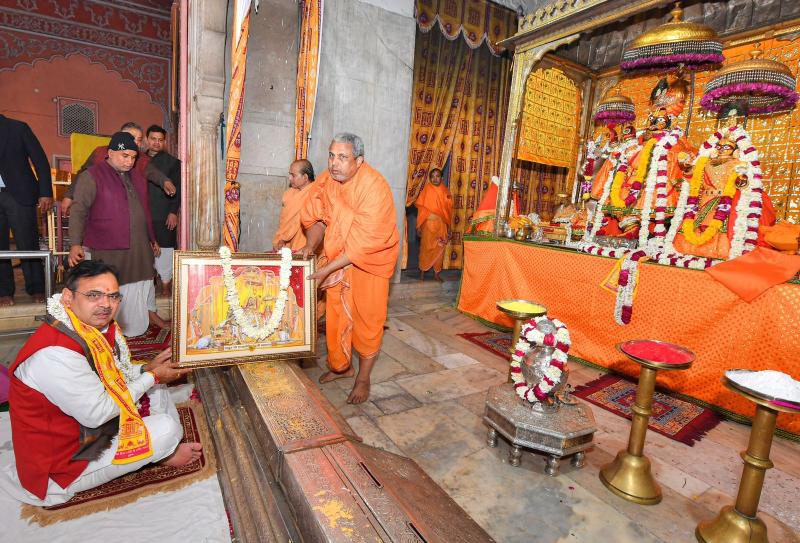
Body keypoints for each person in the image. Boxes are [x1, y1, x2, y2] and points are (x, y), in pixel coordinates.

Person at [0, 260, 199, 506]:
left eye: (113, 296)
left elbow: (111, 373)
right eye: (94, 295)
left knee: (155, 388)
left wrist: (146, 369)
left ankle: (158, 446)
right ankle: (163, 452)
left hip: (84, 426)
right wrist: (153, 376)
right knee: (166, 428)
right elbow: (99, 414)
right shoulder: (55, 353)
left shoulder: (86, 328)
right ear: (68, 297)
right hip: (65, 461)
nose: (106, 304)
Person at [300, 133, 399, 404]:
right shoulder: (328, 180)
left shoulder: (374, 187)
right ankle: (342, 367)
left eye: (343, 157)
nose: (334, 163)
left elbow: (362, 245)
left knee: (368, 321)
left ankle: (363, 378)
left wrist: (325, 270)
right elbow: (317, 218)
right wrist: (310, 246)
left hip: (370, 262)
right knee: (336, 317)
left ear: (359, 161)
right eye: (331, 156)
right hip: (338, 259)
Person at [67, 131, 168, 336]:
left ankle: (136, 326)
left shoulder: (135, 176)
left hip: (138, 246)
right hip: (108, 247)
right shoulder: (92, 175)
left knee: (142, 282)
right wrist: (75, 243)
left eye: (133, 157)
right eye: (125, 156)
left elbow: (144, 210)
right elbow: (79, 210)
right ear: (111, 153)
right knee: (111, 287)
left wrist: (151, 238)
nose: (129, 161)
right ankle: (109, 331)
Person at [61, 122, 176, 216]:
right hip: (98, 207)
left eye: (139, 139)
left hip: (125, 211)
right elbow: (83, 173)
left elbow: (152, 172)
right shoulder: (100, 152)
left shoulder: (141, 158)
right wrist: (69, 196)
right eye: (132, 138)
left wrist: (165, 181)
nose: (136, 143)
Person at [0, 114, 53, 306]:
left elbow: (40, 161)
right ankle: (3, 291)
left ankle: (37, 288)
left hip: (19, 194)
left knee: (27, 242)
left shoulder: (18, 128)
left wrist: (45, 192)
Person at [144, 125, 181, 295]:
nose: (156, 143)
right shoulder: (137, 161)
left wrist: (173, 212)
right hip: (143, 214)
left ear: (164, 141)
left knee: (165, 250)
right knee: (145, 250)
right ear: (147, 140)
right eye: (153, 139)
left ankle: (166, 286)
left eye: (160, 140)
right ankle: (149, 288)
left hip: (164, 213)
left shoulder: (172, 162)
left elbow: (177, 189)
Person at [414, 168, 452, 281]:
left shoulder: (446, 192)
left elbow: (448, 211)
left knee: (440, 249)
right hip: (428, 225)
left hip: (441, 225)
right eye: (433, 177)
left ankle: (436, 273)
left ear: (442, 178)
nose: (435, 179)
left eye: (437, 176)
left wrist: (449, 226)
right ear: (430, 178)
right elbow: (421, 210)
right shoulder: (426, 190)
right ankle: (422, 271)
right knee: (425, 248)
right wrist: (419, 225)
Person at [273, 159, 315, 251]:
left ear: (305, 177)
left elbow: (299, 221)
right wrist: (281, 239)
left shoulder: (315, 193)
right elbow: (285, 222)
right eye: (290, 174)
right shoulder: (290, 194)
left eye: (293, 175)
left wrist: (284, 238)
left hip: (305, 244)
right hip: (287, 243)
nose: (290, 178)